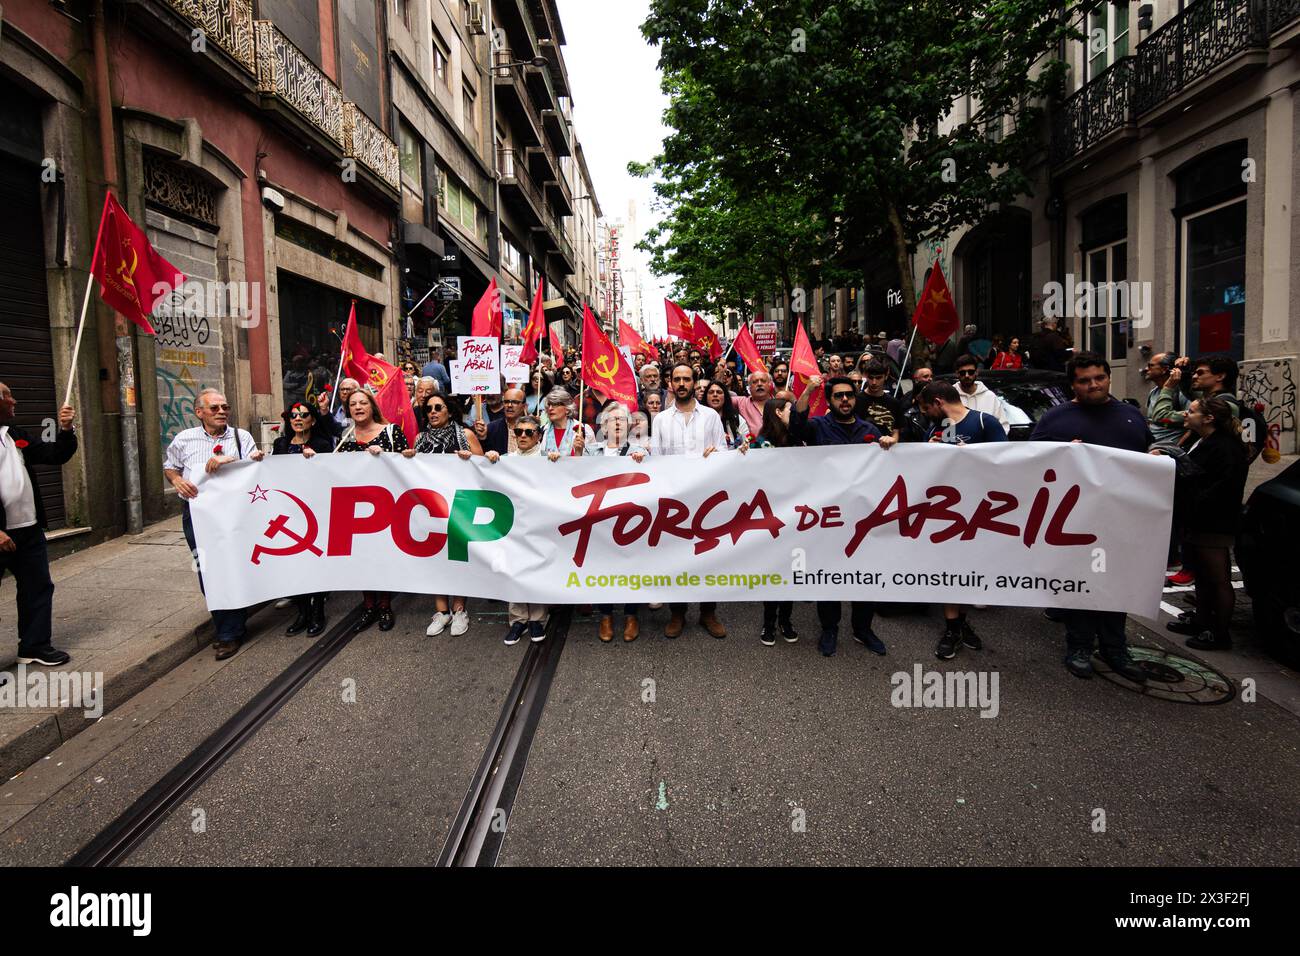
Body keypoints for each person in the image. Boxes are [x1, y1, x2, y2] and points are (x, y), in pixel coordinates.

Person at [1030, 352, 1152, 683]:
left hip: (1122, 521)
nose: (1093, 385)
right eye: (1084, 380)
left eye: (1099, 377)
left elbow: (1145, 462)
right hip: (1075, 522)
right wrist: (1062, 454)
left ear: (1109, 378)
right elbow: (1030, 463)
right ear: (1073, 384)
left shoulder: (1131, 416)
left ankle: (1116, 649)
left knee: (1118, 586)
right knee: (1080, 586)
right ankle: (1079, 647)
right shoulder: (1055, 419)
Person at [790, 375, 890, 656]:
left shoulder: (869, 428)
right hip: (829, 516)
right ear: (830, 400)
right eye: (838, 396)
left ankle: (862, 629)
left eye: (849, 395)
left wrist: (887, 446)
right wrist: (809, 390)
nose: (845, 400)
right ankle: (829, 627)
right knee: (829, 572)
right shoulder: (819, 426)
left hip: (862, 517)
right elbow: (796, 428)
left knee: (865, 574)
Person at [164, 389, 265, 659]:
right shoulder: (184, 439)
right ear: (199, 412)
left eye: (225, 407)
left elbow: (256, 469)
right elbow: (170, 466)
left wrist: (238, 460)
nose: (222, 411)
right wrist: (176, 480)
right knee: (208, 567)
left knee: (236, 563)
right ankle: (227, 627)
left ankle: (231, 628)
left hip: (237, 513)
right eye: (215, 408)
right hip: (198, 514)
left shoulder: (241, 437)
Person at [917, 382, 1007, 658]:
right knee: (949, 570)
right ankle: (952, 628)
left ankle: (960, 622)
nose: (926, 414)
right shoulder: (938, 428)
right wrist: (927, 450)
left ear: (938, 401)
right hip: (946, 515)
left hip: (979, 513)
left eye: (927, 408)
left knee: (969, 573)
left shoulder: (983, 422)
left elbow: (1005, 462)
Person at [1159, 397, 1248, 652]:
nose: (1186, 414)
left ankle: (1219, 633)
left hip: (1213, 522)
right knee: (1203, 575)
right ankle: (1202, 620)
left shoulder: (1225, 447)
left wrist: (1193, 502)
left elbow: (1221, 488)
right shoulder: (1203, 440)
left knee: (1217, 577)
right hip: (1197, 519)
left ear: (1208, 418)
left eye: (1192, 411)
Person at [649, 363, 730, 639]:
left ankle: (708, 612)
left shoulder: (710, 417)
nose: (682, 383)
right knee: (677, 557)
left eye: (687, 379)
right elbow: (656, 460)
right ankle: (677, 612)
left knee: (709, 556)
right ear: (670, 383)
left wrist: (715, 453)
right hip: (674, 501)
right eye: (677, 379)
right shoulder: (660, 420)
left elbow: (724, 452)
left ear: (695, 382)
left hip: (706, 499)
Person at [0, 383, 77, 666]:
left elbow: (53, 454)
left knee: (37, 587)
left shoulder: (13, 435)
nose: (14, 400)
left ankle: (33, 646)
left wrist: (66, 429)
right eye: (7, 395)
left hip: (27, 529)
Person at [407, 393, 482, 637]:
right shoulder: (420, 439)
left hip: (458, 505)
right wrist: (407, 458)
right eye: (428, 408)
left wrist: (470, 460)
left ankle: (459, 609)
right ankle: (441, 611)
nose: (433, 412)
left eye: (438, 407)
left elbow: (484, 468)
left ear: (449, 411)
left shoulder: (465, 435)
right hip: (430, 507)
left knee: (456, 556)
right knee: (435, 557)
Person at [336, 388, 409, 633]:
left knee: (382, 555)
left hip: (385, 504)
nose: (357, 407)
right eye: (353, 404)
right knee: (363, 557)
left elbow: (407, 464)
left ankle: (385, 605)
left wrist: (386, 456)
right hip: (355, 507)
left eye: (363, 403)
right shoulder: (345, 437)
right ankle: (368, 605)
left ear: (372, 407)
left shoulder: (390, 432)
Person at [482, 415, 551, 646]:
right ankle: (518, 619)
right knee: (512, 570)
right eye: (518, 431)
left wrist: (559, 462)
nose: (522, 435)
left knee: (536, 568)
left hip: (538, 524)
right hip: (511, 524)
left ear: (538, 436)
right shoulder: (505, 459)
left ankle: (538, 618)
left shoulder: (548, 459)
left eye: (528, 432)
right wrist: (489, 459)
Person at [587, 403, 649, 643]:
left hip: (629, 520)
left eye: (621, 420)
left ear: (629, 425)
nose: (616, 424)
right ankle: (606, 615)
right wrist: (576, 455)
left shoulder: (640, 451)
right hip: (599, 519)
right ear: (603, 425)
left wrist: (644, 461)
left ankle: (632, 615)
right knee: (604, 565)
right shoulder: (591, 452)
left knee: (631, 565)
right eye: (611, 420)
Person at [271, 401, 333, 636]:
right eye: (293, 415)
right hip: (287, 513)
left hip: (314, 512)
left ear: (313, 420)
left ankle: (317, 612)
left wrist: (317, 460)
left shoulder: (322, 444)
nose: (298, 419)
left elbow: (330, 475)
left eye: (304, 415)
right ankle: (302, 613)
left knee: (313, 563)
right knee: (293, 564)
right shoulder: (281, 444)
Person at [751, 397, 800, 645]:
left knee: (790, 570)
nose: (795, 414)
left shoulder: (798, 439)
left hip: (797, 516)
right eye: (791, 410)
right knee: (773, 571)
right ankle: (768, 623)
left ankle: (786, 620)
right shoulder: (760, 443)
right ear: (779, 413)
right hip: (771, 517)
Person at [953, 354, 1011, 431]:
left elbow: (1003, 426)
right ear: (957, 374)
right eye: (962, 373)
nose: (967, 376)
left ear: (976, 372)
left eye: (971, 372)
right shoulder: (949, 396)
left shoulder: (990, 397)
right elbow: (944, 425)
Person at [856, 361, 907, 441]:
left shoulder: (894, 403)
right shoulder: (856, 401)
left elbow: (895, 431)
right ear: (865, 376)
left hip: (887, 449)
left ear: (886, 376)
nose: (874, 382)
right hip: (862, 449)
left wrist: (892, 440)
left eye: (879, 378)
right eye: (871, 378)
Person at [540, 387, 594, 458]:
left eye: (555, 404)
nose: (550, 408)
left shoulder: (584, 430)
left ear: (567, 409)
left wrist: (578, 453)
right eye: (549, 405)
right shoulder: (542, 431)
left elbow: (593, 461)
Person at [473, 387, 527, 455]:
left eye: (515, 402)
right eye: (506, 402)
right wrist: (482, 438)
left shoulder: (532, 429)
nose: (509, 405)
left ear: (524, 406)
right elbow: (482, 456)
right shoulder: (491, 428)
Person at [704, 379, 751, 449]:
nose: (715, 394)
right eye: (711, 392)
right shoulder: (698, 417)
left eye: (719, 392)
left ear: (725, 397)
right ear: (706, 397)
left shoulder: (736, 418)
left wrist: (744, 447)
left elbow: (748, 440)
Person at [733, 370, 773, 439]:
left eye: (763, 381)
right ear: (749, 387)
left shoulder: (779, 403)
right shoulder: (741, 402)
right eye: (755, 382)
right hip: (751, 448)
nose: (759, 384)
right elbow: (721, 397)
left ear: (770, 384)